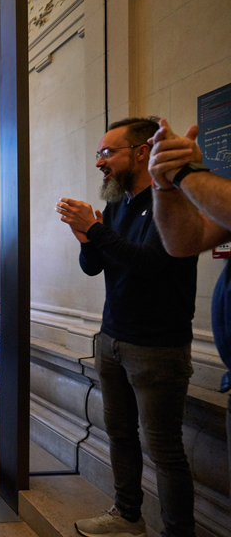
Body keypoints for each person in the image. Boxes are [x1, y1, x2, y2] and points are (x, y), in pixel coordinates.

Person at [56, 117, 198, 537]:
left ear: (139, 153)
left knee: (166, 451)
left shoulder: (169, 200)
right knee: (120, 434)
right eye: (99, 153)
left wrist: (96, 229)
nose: (99, 161)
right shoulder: (118, 205)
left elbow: (152, 264)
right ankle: (128, 516)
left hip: (157, 346)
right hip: (113, 338)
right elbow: (95, 266)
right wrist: (86, 237)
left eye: (107, 152)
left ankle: (178, 532)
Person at [144, 118, 231, 510]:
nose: (100, 161)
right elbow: (184, 242)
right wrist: (166, 184)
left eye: (107, 152)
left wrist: (185, 172)